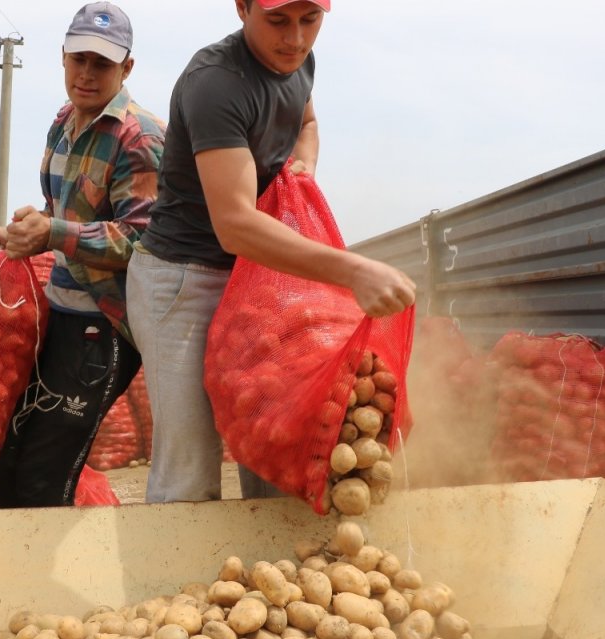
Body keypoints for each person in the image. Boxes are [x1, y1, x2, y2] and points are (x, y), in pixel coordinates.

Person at [126, 0, 417, 503]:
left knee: (278, 445)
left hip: (257, 279)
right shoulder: (217, 83)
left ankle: (275, 574)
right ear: (242, 7)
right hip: (184, 279)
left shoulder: (300, 60)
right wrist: (353, 271)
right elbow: (235, 225)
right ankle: (183, 578)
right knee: (191, 472)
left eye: (311, 20)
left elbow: (306, 119)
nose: (296, 39)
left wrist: (303, 161)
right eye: (278, 21)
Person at [0, 1, 166, 507]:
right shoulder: (63, 122)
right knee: (5, 462)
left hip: (104, 328)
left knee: (46, 477)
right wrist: (20, 232)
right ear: (63, 57)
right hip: (59, 316)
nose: (87, 73)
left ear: (126, 68)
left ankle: (45, 583)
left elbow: (142, 242)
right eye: (79, 59)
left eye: (102, 63)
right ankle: (22, 575)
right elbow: (57, 209)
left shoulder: (139, 138)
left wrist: (52, 233)